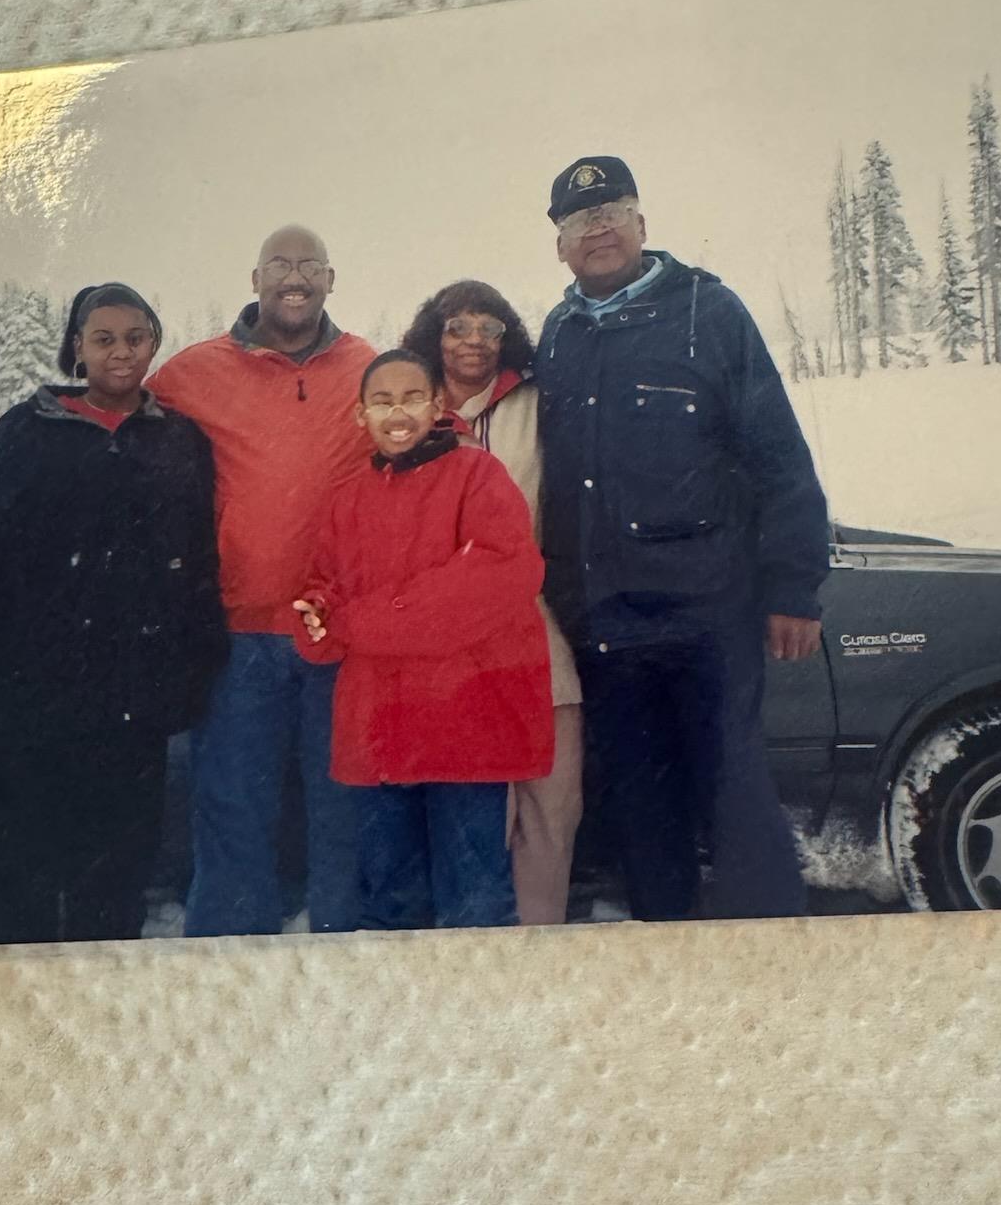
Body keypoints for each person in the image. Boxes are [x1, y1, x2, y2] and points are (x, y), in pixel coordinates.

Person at [0, 226, 375, 937]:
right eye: (280, 263)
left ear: (332, 280)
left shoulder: (365, 365)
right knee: (232, 817)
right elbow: (105, 414)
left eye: (310, 265)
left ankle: (344, 957)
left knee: (344, 815)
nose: (295, 277)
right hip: (238, 639)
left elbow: (422, 431)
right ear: (255, 278)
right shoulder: (193, 372)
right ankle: (225, 968)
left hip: (336, 638)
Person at [534, 156, 830, 922]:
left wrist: (794, 586)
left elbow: (779, 456)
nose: (597, 231)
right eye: (578, 223)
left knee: (734, 797)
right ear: (560, 246)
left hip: (708, 617)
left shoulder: (708, 310)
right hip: (608, 625)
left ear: (641, 224)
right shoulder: (560, 334)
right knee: (642, 811)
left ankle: (776, 947)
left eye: (612, 214)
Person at [0, 283, 226, 945]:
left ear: (153, 343)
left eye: (135, 338)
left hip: (126, 712)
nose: (121, 352)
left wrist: (190, 673)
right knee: (14, 886)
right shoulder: (21, 433)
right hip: (27, 712)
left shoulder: (179, 443)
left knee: (112, 886)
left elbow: (194, 566)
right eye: (103, 338)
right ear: (76, 347)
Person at [291, 349, 553, 930]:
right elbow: (325, 586)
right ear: (361, 415)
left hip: (464, 727)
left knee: (475, 898)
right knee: (390, 899)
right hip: (380, 732)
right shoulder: (348, 498)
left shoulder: (477, 475)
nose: (397, 414)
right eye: (381, 402)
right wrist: (316, 613)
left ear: (437, 405)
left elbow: (498, 576)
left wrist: (358, 622)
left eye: (411, 398)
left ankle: (481, 1018)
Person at [400, 281, 583, 926]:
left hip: (531, 618)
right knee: (473, 805)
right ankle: (472, 945)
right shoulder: (410, 411)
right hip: (440, 635)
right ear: (434, 334)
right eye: (457, 327)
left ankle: (536, 941)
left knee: (551, 796)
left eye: (489, 328)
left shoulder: (537, 404)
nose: (473, 341)